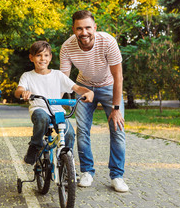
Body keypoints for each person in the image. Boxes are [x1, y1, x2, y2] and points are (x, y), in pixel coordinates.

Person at [60, 10, 128, 192]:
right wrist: (55, 103)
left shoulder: (107, 41)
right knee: (82, 130)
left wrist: (116, 108)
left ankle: (117, 176)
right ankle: (87, 172)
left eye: (88, 28)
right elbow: (64, 80)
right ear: (73, 29)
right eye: (79, 28)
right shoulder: (67, 47)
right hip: (84, 87)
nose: (84, 33)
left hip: (109, 86)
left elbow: (118, 76)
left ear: (95, 27)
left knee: (118, 129)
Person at [14, 41, 94, 165]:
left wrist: (88, 92)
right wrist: (23, 92)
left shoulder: (58, 75)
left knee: (69, 134)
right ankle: (35, 146)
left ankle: (67, 164)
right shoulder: (27, 76)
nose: (42, 59)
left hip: (57, 112)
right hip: (39, 110)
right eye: (38, 55)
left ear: (50, 57)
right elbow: (18, 90)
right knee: (42, 117)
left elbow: (77, 88)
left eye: (46, 55)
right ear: (31, 58)